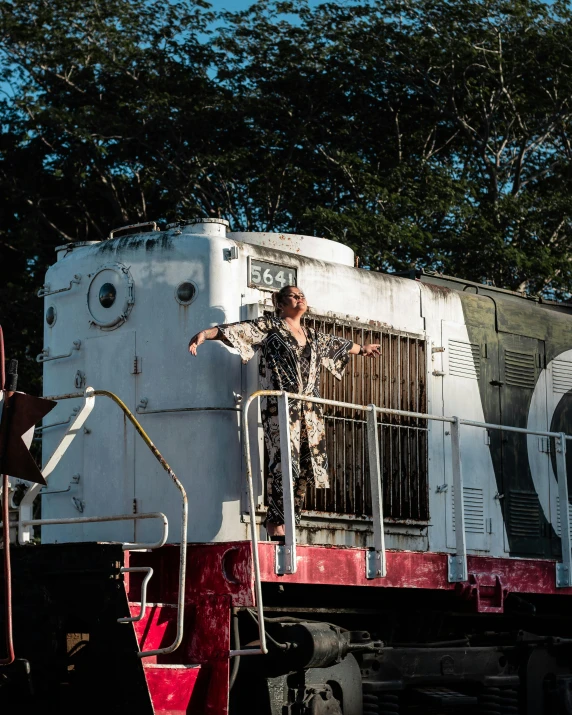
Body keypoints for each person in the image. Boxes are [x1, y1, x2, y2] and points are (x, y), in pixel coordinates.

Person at [188, 286, 380, 538]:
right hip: (281, 407)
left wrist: (363, 348)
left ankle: (290, 521)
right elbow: (236, 330)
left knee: (305, 467)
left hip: (310, 410)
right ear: (278, 303)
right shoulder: (270, 328)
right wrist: (205, 334)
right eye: (293, 295)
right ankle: (275, 524)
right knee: (283, 464)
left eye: (302, 294)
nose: (300, 298)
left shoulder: (313, 336)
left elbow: (340, 346)